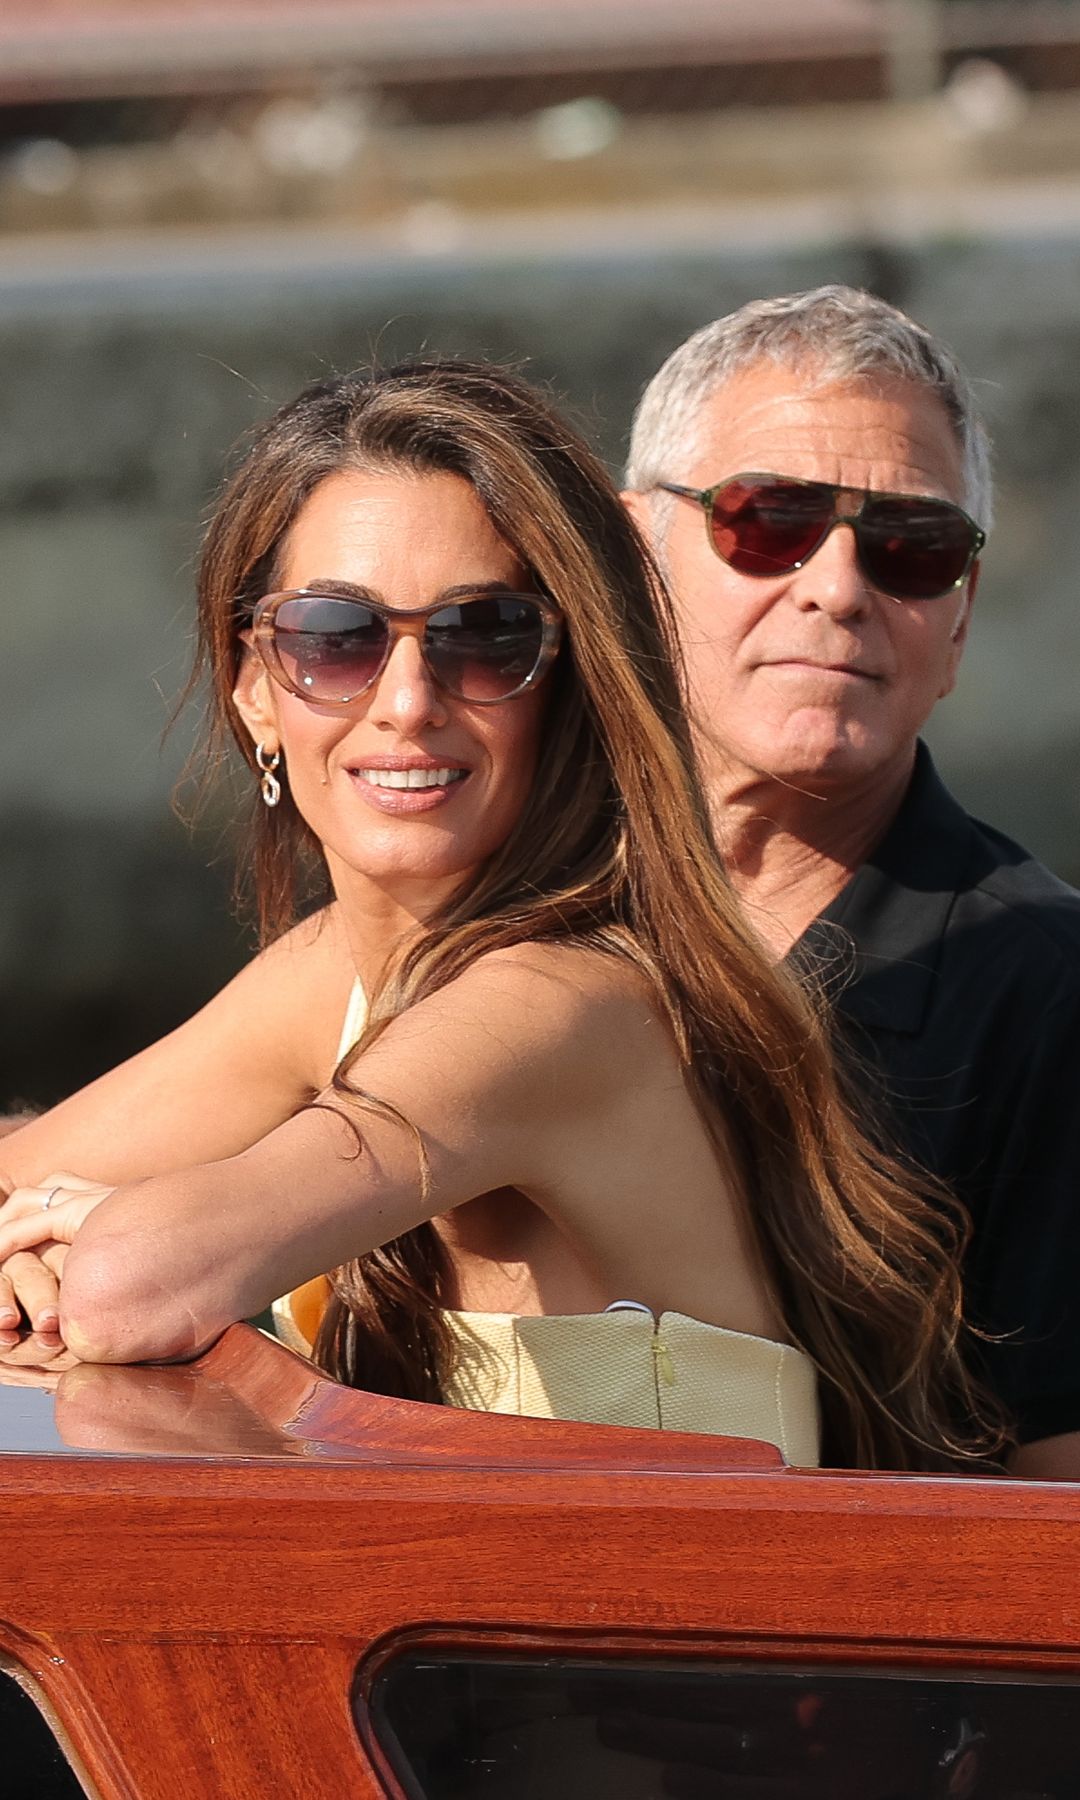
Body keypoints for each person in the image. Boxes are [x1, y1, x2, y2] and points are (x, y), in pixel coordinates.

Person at [0, 361, 996, 1472]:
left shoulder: (559, 1009)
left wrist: (93, 1228)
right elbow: (27, 1179)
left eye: (486, 636)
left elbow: (133, 1285)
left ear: (568, 687)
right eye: (337, 635)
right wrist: (47, 1221)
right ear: (254, 688)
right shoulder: (341, 976)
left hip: (686, 1639)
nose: (409, 698)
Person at [622, 284, 1080, 1478]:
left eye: (912, 548)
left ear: (961, 617)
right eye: (768, 521)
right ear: (634, 554)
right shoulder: (494, 892)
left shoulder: (1046, 997)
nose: (837, 588)